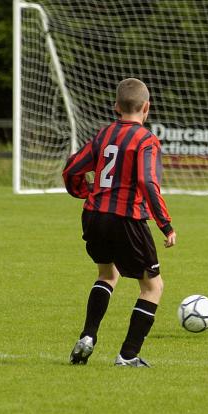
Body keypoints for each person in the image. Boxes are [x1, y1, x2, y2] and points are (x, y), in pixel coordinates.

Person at [63, 78, 176, 367]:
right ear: (147, 107)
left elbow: (72, 168)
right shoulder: (146, 139)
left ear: (116, 106)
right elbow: (147, 182)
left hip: (94, 216)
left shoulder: (103, 134)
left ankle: (88, 336)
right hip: (127, 219)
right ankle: (128, 355)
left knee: (107, 275)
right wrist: (165, 224)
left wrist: (85, 191)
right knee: (152, 287)